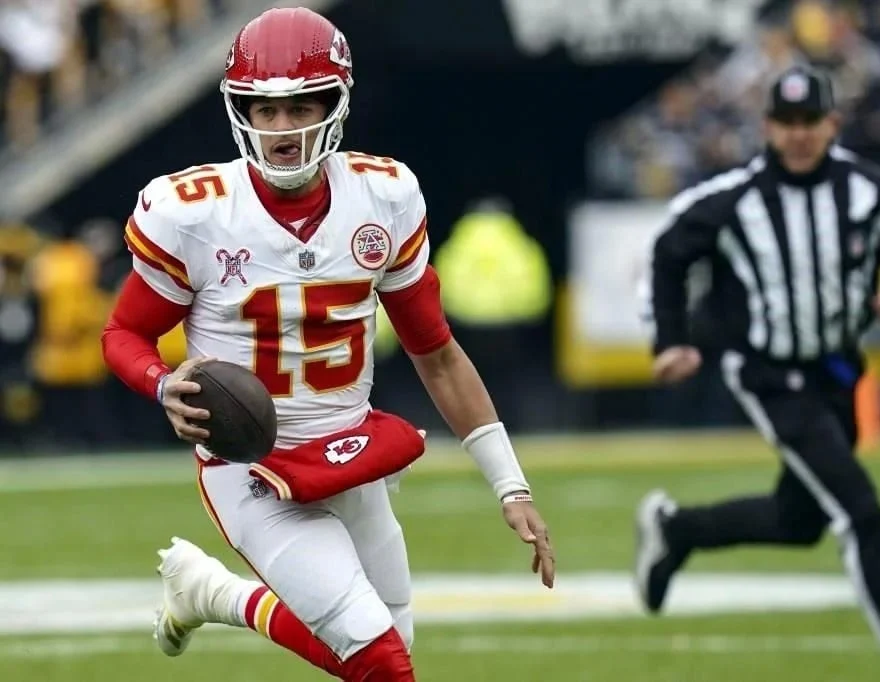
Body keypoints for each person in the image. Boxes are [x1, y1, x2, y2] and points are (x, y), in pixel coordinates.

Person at [100, 8, 555, 681]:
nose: (281, 127)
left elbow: (435, 353)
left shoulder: (383, 196)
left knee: (387, 646)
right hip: (252, 468)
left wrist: (510, 486)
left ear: (334, 105)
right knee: (380, 662)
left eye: (300, 107)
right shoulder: (193, 213)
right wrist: (162, 382)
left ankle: (212, 594)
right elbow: (124, 333)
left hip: (349, 453)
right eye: (265, 109)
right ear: (241, 112)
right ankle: (214, 592)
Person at [633, 65, 880, 682]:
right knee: (860, 513)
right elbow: (668, 251)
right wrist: (670, 338)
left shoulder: (871, 192)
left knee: (801, 519)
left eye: (809, 120)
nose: (798, 133)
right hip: (766, 372)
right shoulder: (734, 199)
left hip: (836, 374)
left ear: (832, 123)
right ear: (766, 126)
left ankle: (677, 530)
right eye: (786, 121)